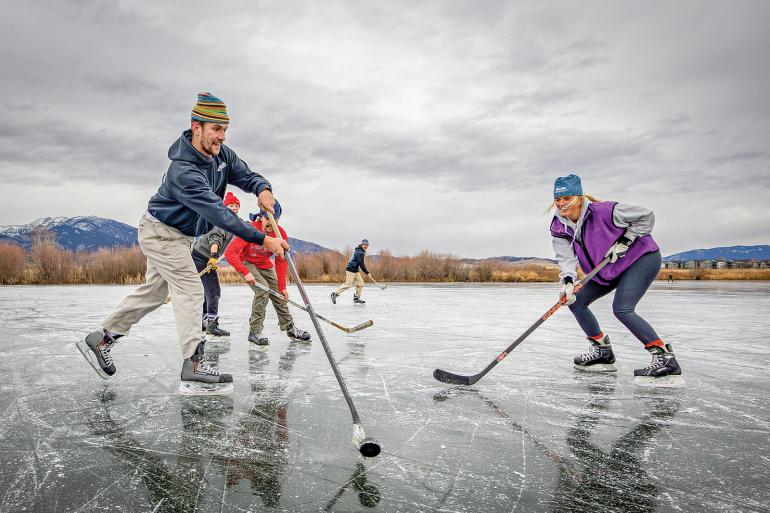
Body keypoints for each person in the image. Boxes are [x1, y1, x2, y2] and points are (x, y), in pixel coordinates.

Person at [76, 92, 289, 393]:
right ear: (196, 127)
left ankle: (102, 338)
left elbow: (246, 174)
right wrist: (263, 239)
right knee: (190, 287)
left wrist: (262, 188)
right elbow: (219, 214)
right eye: (216, 129)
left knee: (154, 292)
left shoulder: (221, 155)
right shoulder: (183, 171)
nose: (222, 136)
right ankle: (194, 363)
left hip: (180, 236)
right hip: (161, 233)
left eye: (225, 130)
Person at [550, 173, 682, 384]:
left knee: (622, 309)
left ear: (579, 198)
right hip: (605, 267)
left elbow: (646, 216)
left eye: (567, 199)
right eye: (558, 199)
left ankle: (664, 358)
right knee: (576, 301)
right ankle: (602, 350)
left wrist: (626, 241)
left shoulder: (605, 211)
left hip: (639, 260)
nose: (562, 204)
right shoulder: (559, 226)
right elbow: (565, 256)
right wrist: (567, 281)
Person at [224, 200, 311, 347]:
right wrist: (245, 273)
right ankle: (255, 331)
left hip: (264, 264)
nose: (271, 224)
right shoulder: (250, 229)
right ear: (261, 217)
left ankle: (290, 328)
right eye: (268, 220)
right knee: (262, 290)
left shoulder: (280, 233)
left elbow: (281, 260)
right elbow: (229, 253)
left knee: (279, 294)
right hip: (247, 262)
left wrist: (282, 286)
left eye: (275, 220)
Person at [191, 191, 241, 337]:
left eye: (236, 205)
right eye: (231, 205)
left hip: (202, 257)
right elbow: (215, 239)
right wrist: (213, 256)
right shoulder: (220, 222)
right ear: (225, 207)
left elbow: (245, 226)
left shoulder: (232, 221)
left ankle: (204, 320)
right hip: (202, 257)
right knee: (214, 291)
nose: (234, 207)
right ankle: (212, 323)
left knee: (207, 290)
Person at [331, 239, 370, 304]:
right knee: (348, 284)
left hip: (355, 271)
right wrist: (367, 272)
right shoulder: (359, 252)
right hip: (350, 270)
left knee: (360, 284)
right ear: (361, 244)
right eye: (364, 244)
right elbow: (361, 263)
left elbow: (361, 263)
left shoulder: (361, 251)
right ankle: (334, 294)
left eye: (367, 245)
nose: (366, 246)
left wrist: (366, 272)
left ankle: (356, 298)